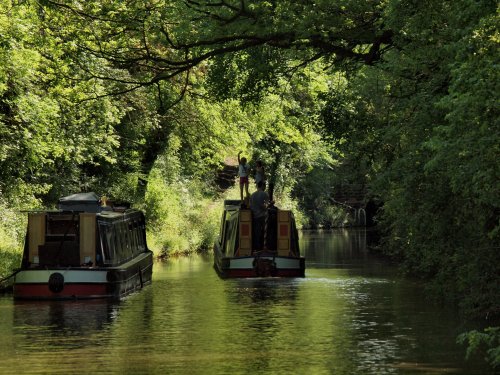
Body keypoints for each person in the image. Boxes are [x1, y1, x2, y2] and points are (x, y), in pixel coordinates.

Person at [250, 180, 269, 251]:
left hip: (255, 216)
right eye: (265, 186)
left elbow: (250, 206)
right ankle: (265, 247)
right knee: (265, 232)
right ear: (263, 186)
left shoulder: (252, 195)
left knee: (256, 232)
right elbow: (266, 206)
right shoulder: (265, 194)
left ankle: (256, 248)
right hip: (263, 217)